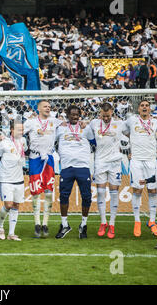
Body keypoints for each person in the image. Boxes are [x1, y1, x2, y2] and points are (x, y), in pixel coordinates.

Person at [54, 105, 95, 239]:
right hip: (66, 166)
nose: (75, 117)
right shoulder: (60, 128)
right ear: (67, 114)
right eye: (72, 114)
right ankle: (64, 224)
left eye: (77, 115)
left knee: (87, 196)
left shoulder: (86, 128)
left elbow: (95, 141)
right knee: (64, 196)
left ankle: (83, 225)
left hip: (83, 166)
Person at [23, 100, 62, 238]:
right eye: (45, 106)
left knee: (49, 192)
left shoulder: (55, 121)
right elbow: (18, 132)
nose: (48, 108)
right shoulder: (31, 122)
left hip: (49, 159)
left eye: (49, 106)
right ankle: (37, 224)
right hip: (35, 159)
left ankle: (45, 224)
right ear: (38, 108)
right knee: (35, 192)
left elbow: (68, 125)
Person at [123, 100, 157, 237]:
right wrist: (132, 144)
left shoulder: (156, 122)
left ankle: (152, 221)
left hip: (151, 160)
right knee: (138, 189)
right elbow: (123, 132)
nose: (145, 107)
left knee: (153, 189)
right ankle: (137, 221)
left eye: (147, 105)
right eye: (142, 106)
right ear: (138, 109)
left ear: (150, 108)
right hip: (137, 160)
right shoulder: (132, 120)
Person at [0, 119, 27, 241]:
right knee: (8, 205)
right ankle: (0, 226)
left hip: (19, 179)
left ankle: (11, 234)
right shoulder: (4, 143)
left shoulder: (23, 141)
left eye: (22, 129)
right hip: (6, 179)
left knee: (16, 205)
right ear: (12, 130)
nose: (21, 131)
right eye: (19, 129)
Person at [89, 102, 125, 239]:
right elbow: (86, 133)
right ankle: (103, 222)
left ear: (112, 112)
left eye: (108, 116)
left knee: (114, 192)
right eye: (103, 116)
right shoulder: (93, 123)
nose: (105, 118)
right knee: (100, 191)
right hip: (100, 161)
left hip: (115, 162)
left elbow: (131, 134)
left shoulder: (120, 124)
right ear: (100, 113)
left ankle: (112, 224)